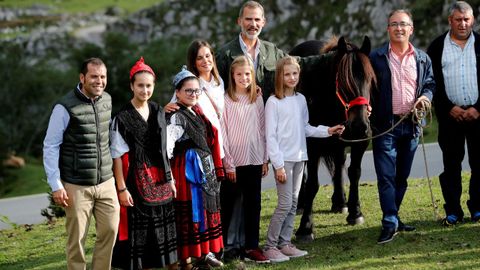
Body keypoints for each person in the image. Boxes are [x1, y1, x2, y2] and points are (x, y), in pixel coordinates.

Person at [263, 56, 345, 262]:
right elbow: (270, 137)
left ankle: (285, 243)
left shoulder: (300, 99)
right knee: (284, 204)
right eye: (287, 74)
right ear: (279, 76)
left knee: (293, 204)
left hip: (300, 158)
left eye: (295, 73)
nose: (291, 77)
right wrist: (278, 165)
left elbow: (306, 128)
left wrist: (328, 130)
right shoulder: (273, 102)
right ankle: (270, 246)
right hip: (284, 162)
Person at [43, 57, 120, 269]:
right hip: (76, 185)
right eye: (94, 76)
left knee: (111, 231)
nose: (99, 81)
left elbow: (109, 139)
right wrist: (56, 185)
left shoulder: (107, 100)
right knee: (76, 240)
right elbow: (50, 146)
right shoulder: (64, 107)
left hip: (106, 181)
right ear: (82, 77)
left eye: (103, 77)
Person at [369, 10, 435, 244]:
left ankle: (394, 216)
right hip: (385, 126)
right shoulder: (375, 57)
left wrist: (426, 97)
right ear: (388, 28)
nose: (399, 28)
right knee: (386, 176)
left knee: (402, 177)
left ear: (411, 29)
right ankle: (389, 221)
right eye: (394, 24)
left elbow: (429, 83)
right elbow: (365, 88)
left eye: (403, 24)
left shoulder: (422, 58)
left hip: (413, 125)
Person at [110, 57, 178, 269]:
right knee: (140, 235)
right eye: (140, 85)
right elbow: (117, 157)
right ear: (132, 86)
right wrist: (121, 189)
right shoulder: (121, 118)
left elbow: (165, 149)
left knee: (166, 231)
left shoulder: (159, 111)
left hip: (161, 180)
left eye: (149, 85)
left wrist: (171, 179)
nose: (145, 90)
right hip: (135, 181)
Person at [427, 1, 480, 226]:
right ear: (450, 20)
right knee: (451, 165)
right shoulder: (437, 46)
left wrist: (479, 108)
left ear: (473, 20)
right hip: (451, 116)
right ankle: (453, 211)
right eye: (458, 19)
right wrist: (449, 108)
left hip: (479, 116)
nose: (463, 24)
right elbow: (433, 82)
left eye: (466, 19)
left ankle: (478, 208)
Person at [166, 67, 225, 269]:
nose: (193, 94)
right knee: (192, 212)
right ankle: (187, 259)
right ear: (178, 92)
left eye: (196, 90)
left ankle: (203, 253)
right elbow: (167, 148)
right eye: (188, 91)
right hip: (188, 171)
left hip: (204, 167)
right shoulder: (176, 115)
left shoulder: (197, 110)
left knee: (205, 211)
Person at [215, 0, 326, 102]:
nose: (253, 24)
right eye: (248, 19)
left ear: (263, 22)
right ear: (239, 21)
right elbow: (215, 91)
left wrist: (329, 57)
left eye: (257, 19)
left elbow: (298, 63)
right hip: (240, 120)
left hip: (268, 119)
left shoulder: (271, 50)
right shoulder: (224, 54)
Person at [220, 55, 269, 263]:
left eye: (247, 74)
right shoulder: (226, 99)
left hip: (255, 159)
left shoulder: (257, 98)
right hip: (235, 162)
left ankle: (251, 246)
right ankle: (223, 246)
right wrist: (228, 163)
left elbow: (263, 128)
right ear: (232, 75)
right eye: (239, 74)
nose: (244, 78)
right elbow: (223, 133)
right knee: (229, 203)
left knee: (253, 203)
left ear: (253, 75)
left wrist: (265, 159)